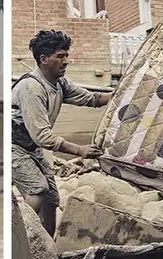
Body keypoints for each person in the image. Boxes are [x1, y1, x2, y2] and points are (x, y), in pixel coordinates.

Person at [12, 29, 112, 234]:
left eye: (67, 55)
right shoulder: (31, 88)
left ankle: (47, 248)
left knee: (51, 198)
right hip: (11, 146)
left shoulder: (59, 83)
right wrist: (79, 150)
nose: (66, 61)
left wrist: (123, 92)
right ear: (44, 59)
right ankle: (17, 241)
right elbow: (43, 136)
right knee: (37, 190)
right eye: (60, 56)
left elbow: (91, 99)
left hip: (30, 147)